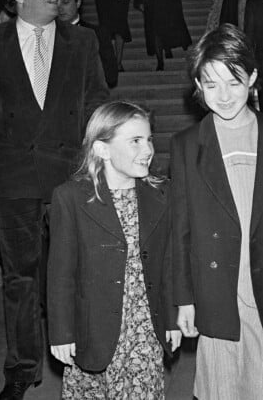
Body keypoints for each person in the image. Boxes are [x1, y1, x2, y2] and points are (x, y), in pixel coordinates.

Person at [0, 0, 109, 400]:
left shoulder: (83, 41)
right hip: (11, 176)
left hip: (69, 172)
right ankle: (21, 370)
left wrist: (101, 157)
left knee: (78, 269)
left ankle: (89, 359)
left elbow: (95, 103)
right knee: (20, 275)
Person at [171, 24, 263, 400]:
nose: (224, 95)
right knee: (219, 387)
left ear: (252, 78)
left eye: (234, 82)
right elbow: (180, 227)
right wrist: (183, 298)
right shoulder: (186, 145)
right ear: (198, 86)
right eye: (210, 84)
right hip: (213, 287)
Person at [47, 100, 181, 399]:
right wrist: (61, 331)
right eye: (134, 141)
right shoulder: (71, 198)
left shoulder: (161, 193)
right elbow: (61, 273)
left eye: (148, 139)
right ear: (101, 149)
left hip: (145, 329)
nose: (147, 150)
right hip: (93, 328)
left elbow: (169, 263)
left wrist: (172, 318)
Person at [58, 0, 119, 88]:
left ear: (78, 3)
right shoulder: (45, 35)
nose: (60, 8)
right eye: (56, 3)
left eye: (65, 2)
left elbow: (111, 77)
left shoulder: (98, 34)